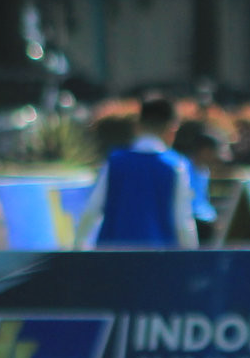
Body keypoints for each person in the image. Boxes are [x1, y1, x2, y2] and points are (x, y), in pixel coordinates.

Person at [75, 94, 198, 250]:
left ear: (137, 126)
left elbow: (92, 210)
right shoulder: (176, 166)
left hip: (112, 258)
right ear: (172, 129)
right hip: (159, 260)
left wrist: (78, 248)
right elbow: (183, 222)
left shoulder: (115, 161)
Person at [171, 120, 229, 245]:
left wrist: (215, 219)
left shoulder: (204, 171)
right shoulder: (183, 168)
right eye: (215, 153)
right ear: (205, 151)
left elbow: (203, 203)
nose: (217, 159)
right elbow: (188, 206)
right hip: (191, 224)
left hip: (204, 224)